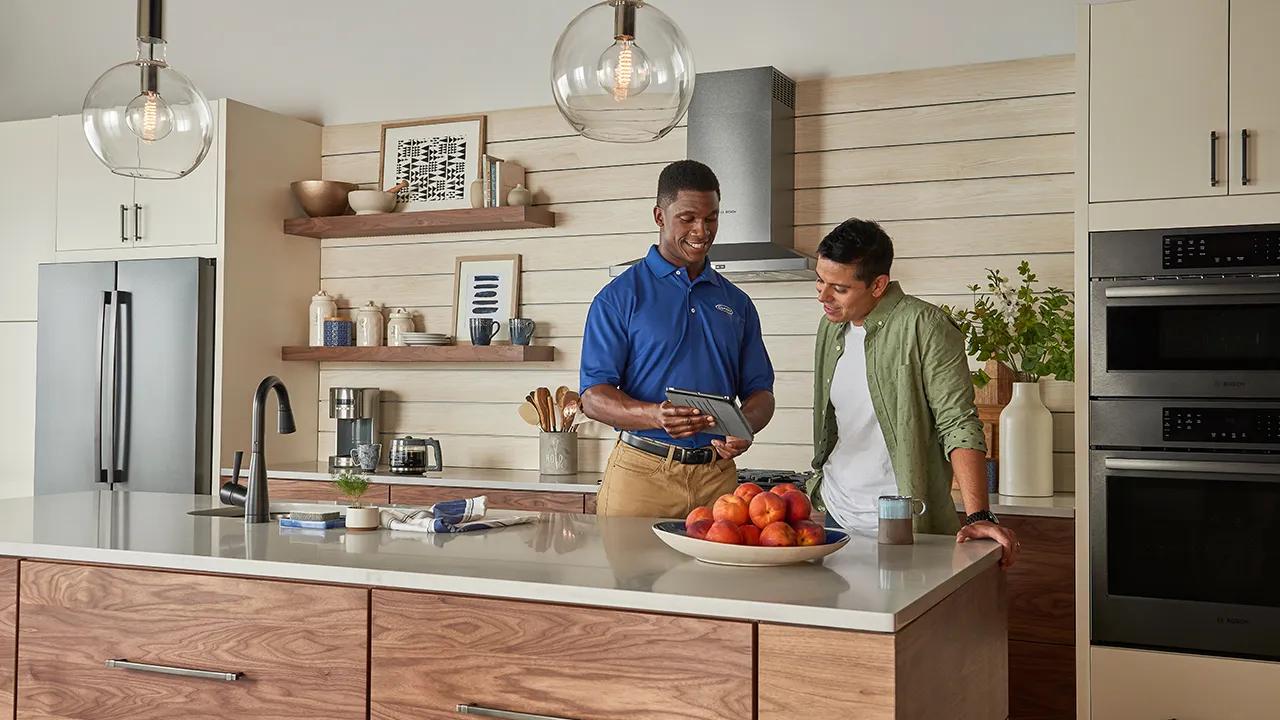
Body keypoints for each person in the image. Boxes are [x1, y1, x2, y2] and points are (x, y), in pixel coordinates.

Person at [809, 218, 1019, 566]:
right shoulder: (830, 327)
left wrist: (978, 515)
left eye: (839, 288)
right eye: (819, 280)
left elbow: (958, 422)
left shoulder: (926, 325)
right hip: (837, 516)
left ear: (878, 285)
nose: (823, 296)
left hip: (904, 524)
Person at [579, 160, 776, 518]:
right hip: (641, 477)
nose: (702, 230)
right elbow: (593, 398)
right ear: (659, 216)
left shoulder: (737, 303)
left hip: (718, 481)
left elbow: (761, 394)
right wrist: (655, 415)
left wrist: (745, 426)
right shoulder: (618, 298)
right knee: (626, 560)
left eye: (711, 218)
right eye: (688, 218)